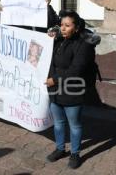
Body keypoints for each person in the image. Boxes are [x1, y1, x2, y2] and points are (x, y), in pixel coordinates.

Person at [45, 10, 96, 169]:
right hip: (55, 91)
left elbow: (77, 69)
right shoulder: (59, 40)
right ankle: (60, 149)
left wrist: (55, 80)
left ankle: (75, 154)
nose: (63, 28)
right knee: (58, 123)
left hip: (73, 90)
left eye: (67, 25)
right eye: (62, 25)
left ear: (77, 27)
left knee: (74, 125)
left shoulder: (84, 45)